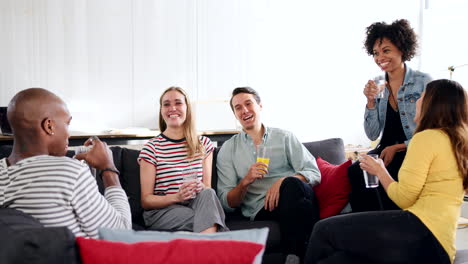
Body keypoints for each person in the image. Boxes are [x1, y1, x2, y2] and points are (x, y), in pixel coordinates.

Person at [305, 79, 468, 264]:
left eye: (421, 97)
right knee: (339, 260)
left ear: (434, 104)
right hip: (441, 245)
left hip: (421, 232)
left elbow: (404, 198)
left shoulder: (426, 138)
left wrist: (380, 170)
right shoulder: (459, 141)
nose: (416, 101)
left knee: (322, 229)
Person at [0, 88, 131, 238]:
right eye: (67, 124)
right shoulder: (70, 172)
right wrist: (108, 168)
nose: (68, 133)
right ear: (49, 126)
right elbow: (121, 233)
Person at [217, 87, 321, 259]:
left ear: (260, 106)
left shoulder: (285, 137)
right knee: (300, 203)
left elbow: (313, 172)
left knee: (292, 186)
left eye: (248, 104)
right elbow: (227, 202)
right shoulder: (228, 149)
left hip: (294, 194)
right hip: (262, 207)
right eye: (238, 108)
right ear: (235, 115)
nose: (244, 110)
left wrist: (282, 182)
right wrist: (245, 181)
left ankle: (293, 257)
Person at [348, 19, 433, 212]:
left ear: (402, 49)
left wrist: (399, 146)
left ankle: (390, 226)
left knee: (394, 173)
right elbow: (372, 134)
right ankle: (369, 226)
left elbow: (433, 130)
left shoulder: (423, 82)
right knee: (355, 171)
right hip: (385, 149)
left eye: (386, 51)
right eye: (376, 53)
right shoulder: (378, 83)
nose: (380, 58)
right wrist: (370, 101)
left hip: (413, 149)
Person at [138, 86, 227, 233]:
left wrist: (200, 187)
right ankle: (217, 247)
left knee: (209, 193)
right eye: (166, 104)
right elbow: (146, 201)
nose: (172, 108)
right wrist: (177, 197)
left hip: (196, 205)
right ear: (161, 111)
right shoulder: (151, 148)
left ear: (187, 108)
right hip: (163, 211)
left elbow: (207, 189)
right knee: (207, 218)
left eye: (178, 103)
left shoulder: (203, 144)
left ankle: (208, 247)